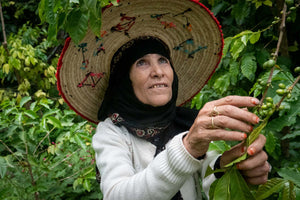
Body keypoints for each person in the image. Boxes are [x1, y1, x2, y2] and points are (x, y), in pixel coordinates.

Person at [56, 0, 270, 199]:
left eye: (163, 60)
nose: (158, 71)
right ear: (124, 80)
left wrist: (233, 168)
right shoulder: (113, 132)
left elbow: (208, 180)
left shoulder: (189, 123)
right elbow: (117, 194)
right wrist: (187, 149)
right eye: (142, 63)